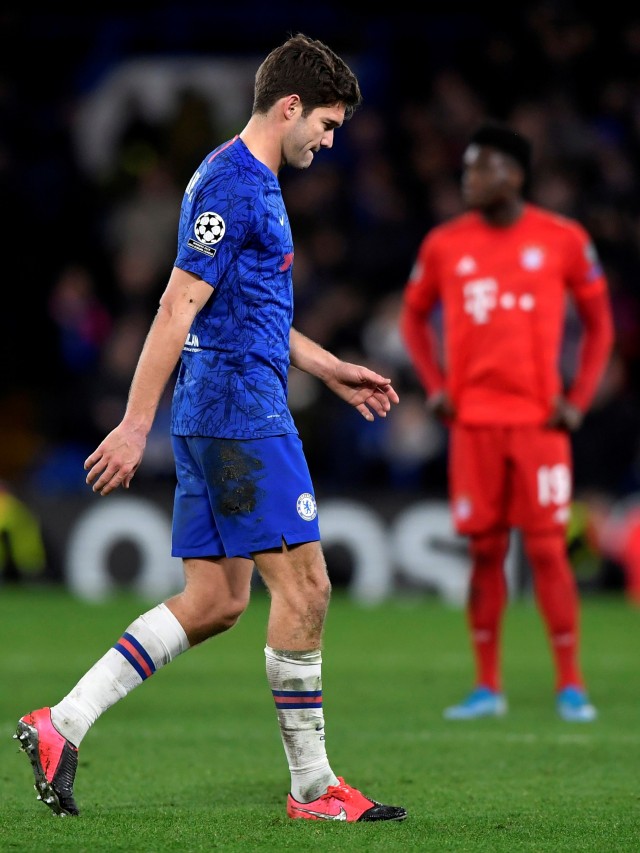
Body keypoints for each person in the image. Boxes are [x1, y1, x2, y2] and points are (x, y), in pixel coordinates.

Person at [15, 34, 407, 823]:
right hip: (240, 414)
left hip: (223, 405)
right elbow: (177, 304)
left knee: (217, 599)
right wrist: (133, 425)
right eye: (326, 126)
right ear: (290, 106)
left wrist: (327, 365)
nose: (328, 143)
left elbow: (251, 307)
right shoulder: (234, 183)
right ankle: (313, 787)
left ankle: (61, 722)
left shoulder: (246, 176)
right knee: (307, 586)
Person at [399, 119, 614, 723]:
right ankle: (487, 687)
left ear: (514, 174)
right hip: (473, 426)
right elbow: (413, 320)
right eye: (466, 168)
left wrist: (581, 397)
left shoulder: (564, 239)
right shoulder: (444, 244)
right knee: (486, 552)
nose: (468, 178)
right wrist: (437, 387)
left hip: (540, 425)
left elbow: (601, 324)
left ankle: (571, 685)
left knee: (548, 550)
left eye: (480, 167)